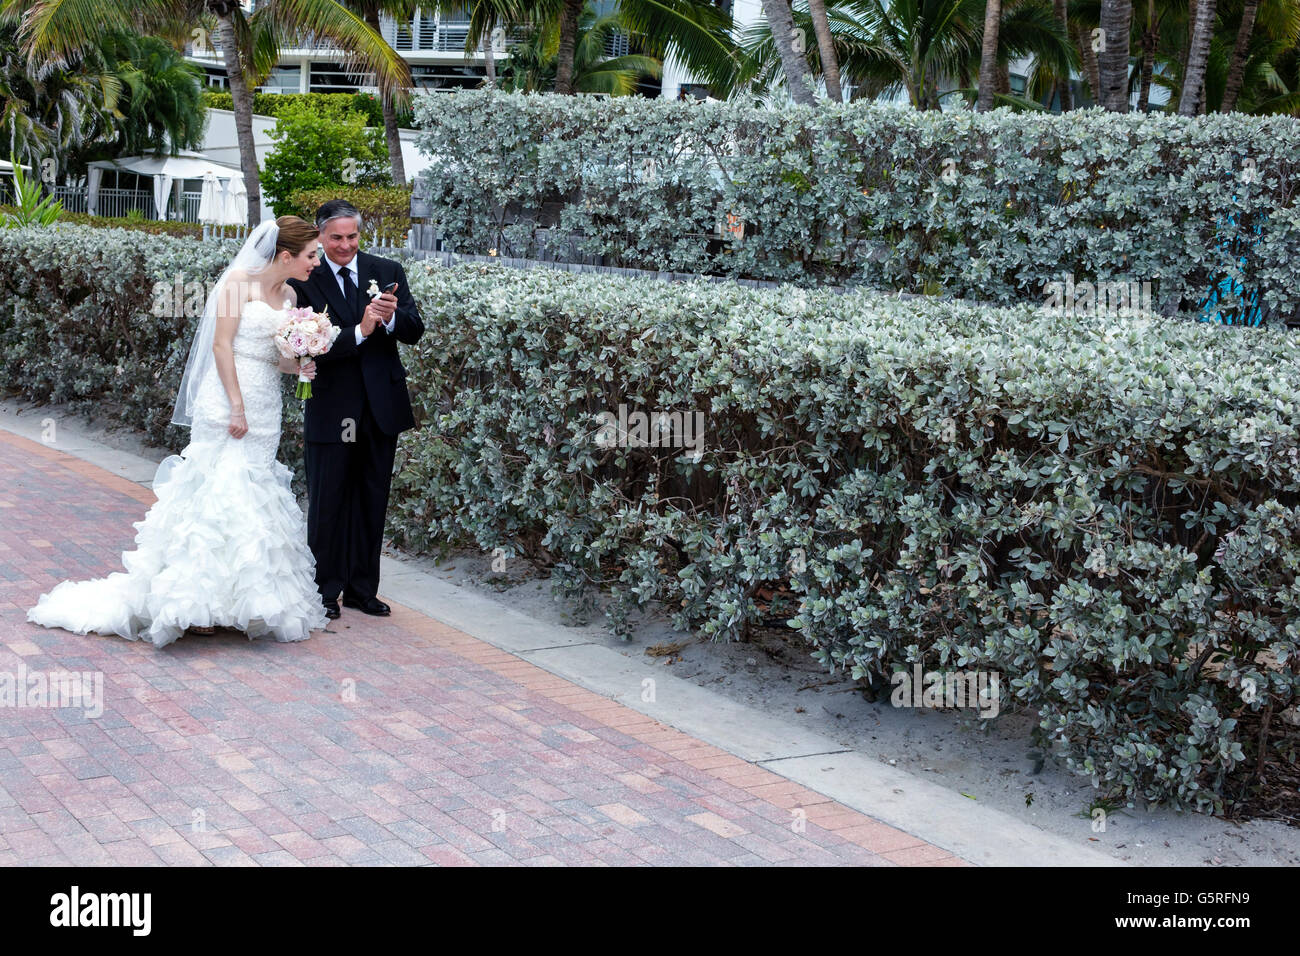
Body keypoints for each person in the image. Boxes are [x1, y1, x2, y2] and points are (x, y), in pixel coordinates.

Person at [27, 217, 330, 649]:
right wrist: (236, 406)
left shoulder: (291, 296)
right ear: (287, 255)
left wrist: (300, 362)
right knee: (215, 490)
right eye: (311, 255)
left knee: (253, 490)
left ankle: (241, 603)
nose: (316, 262)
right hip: (227, 397)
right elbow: (221, 345)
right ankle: (196, 605)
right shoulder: (238, 284)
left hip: (266, 402)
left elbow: (277, 358)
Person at [287, 200, 424, 620]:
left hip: (380, 408)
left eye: (352, 236)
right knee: (328, 502)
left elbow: (415, 330)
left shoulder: (387, 270)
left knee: (371, 500)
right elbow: (306, 349)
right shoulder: (305, 278)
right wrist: (360, 330)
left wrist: (389, 319)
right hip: (332, 407)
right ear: (321, 235)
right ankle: (325, 591)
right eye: (336, 238)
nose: (346, 245)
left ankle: (363, 590)